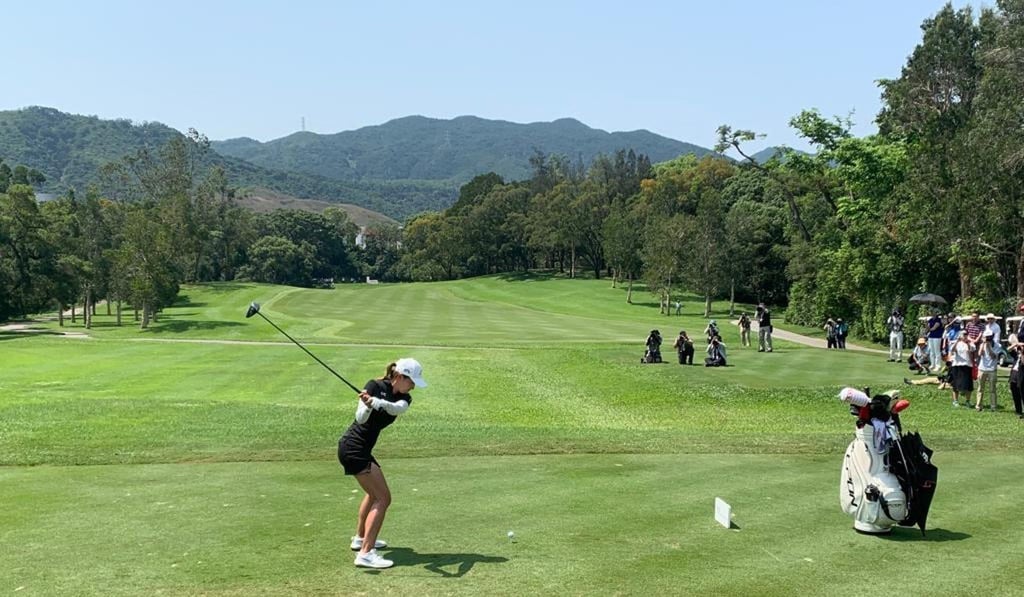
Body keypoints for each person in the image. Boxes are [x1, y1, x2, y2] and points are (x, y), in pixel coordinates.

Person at [338, 358, 427, 569]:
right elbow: (360, 418)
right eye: (411, 381)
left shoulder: (404, 397)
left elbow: (397, 409)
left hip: (361, 450)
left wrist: (378, 403)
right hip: (353, 448)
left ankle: (360, 539)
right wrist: (368, 405)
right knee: (383, 498)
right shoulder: (374, 386)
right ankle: (366, 553)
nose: (413, 386)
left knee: (374, 495)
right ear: (400, 377)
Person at [948, 330, 974, 408]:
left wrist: (967, 343)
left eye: (966, 334)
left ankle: (968, 401)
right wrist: (957, 341)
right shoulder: (956, 343)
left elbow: (971, 350)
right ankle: (955, 401)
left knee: (968, 385)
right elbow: (952, 350)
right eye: (963, 334)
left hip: (967, 365)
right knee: (956, 384)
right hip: (957, 365)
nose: (965, 336)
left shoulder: (970, 343)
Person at [974, 330, 998, 412]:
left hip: (992, 370)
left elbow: (993, 356)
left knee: (992, 389)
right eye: (986, 337)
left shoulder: (997, 345)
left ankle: (993, 406)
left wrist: (988, 347)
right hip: (982, 369)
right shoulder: (982, 344)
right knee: (980, 388)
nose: (987, 339)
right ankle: (978, 406)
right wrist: (983, 345)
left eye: (988, 337)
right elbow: (980, 354)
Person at [1009, 337, 1024, 419]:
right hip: (1014, 375)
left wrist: (1022, 353)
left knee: (1022, 393)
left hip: (1021, 375)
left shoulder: (1022, 355)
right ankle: (1018, 411)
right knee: (1014, 392)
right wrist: (1015, 344)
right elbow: (1008, 349)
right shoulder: (1016, 354)